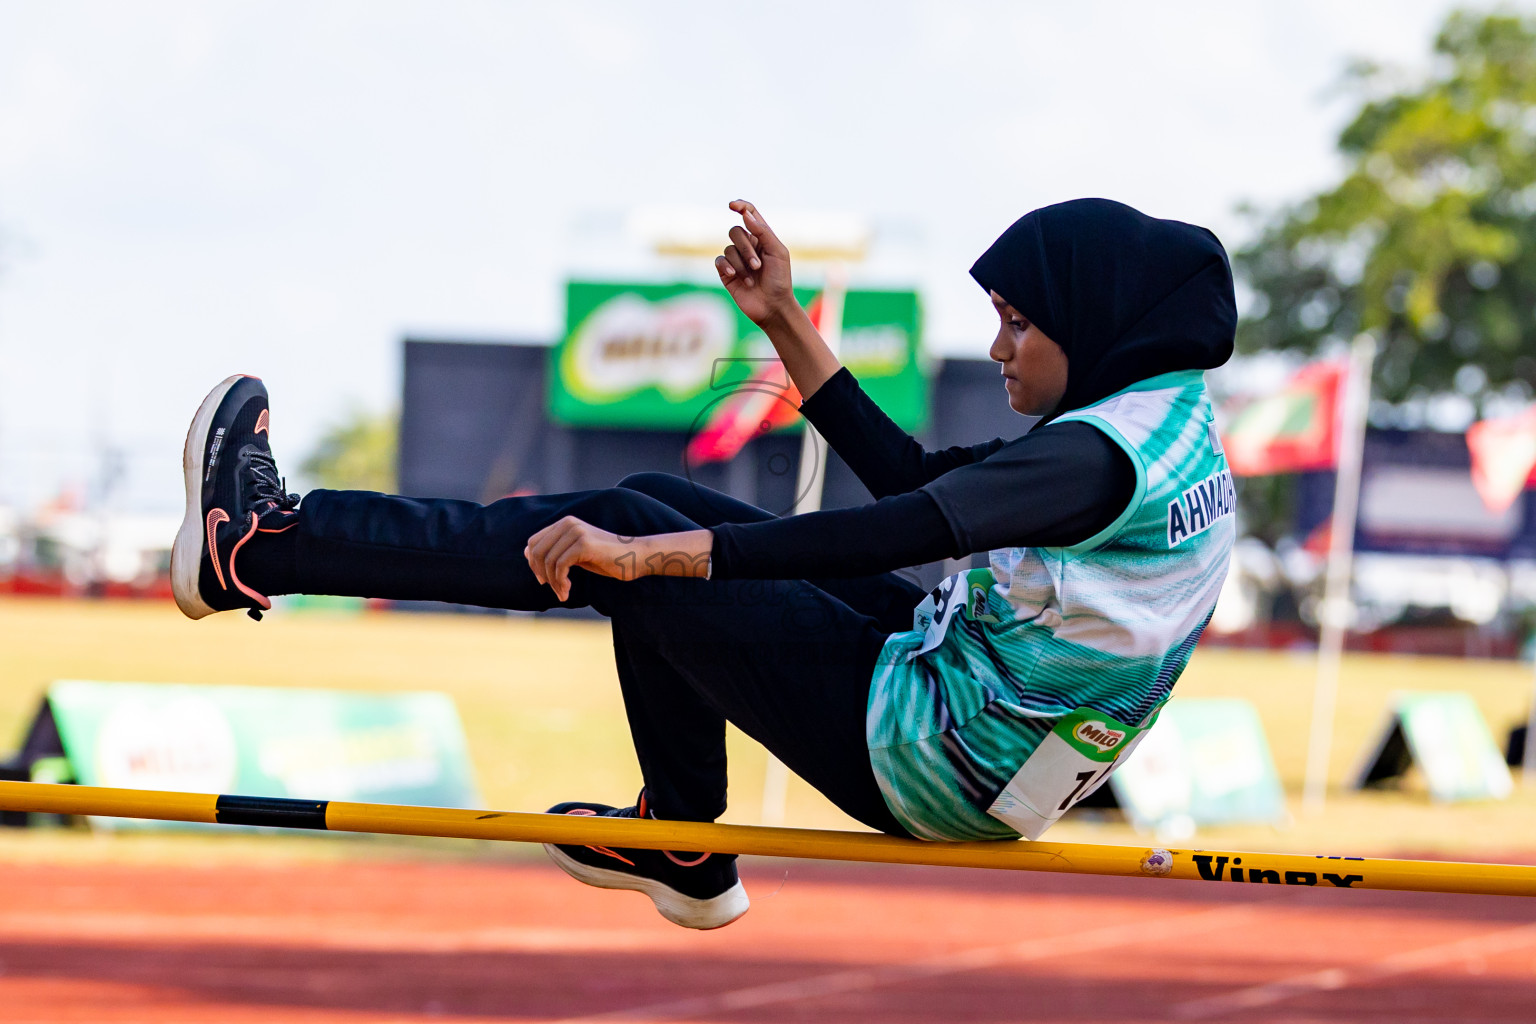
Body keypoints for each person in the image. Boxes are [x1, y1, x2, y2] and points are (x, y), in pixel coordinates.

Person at [170, 197, 1237, 930]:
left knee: (644, 531)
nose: (1000, 349)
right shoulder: (1158, 418)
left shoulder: (1096, 456)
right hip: (977, 710)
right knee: (656, 517)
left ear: (1094, 325)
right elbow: (908, 474)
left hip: (938, 749)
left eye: (1015, 324)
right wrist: (781, 317)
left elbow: (889, 529)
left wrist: (652, 557)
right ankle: (680, 839)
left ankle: (267, 542)